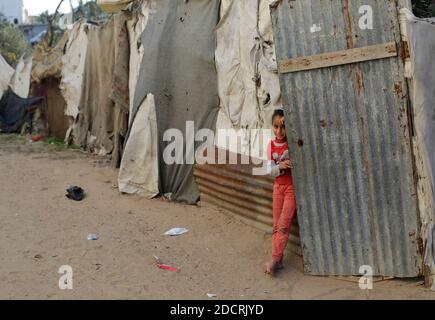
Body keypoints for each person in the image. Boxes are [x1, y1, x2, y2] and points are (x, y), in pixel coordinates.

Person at [264, 109, 297, 277]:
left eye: (283, 127)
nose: (279, 131)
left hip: (291, 189)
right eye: (276, 127)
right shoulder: (270, 145)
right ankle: (279, 261)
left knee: (283, 226)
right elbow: (269, 170)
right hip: (278, 188)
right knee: (276, 226)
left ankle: (273, 260)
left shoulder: (292, 143)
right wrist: (280, 167)